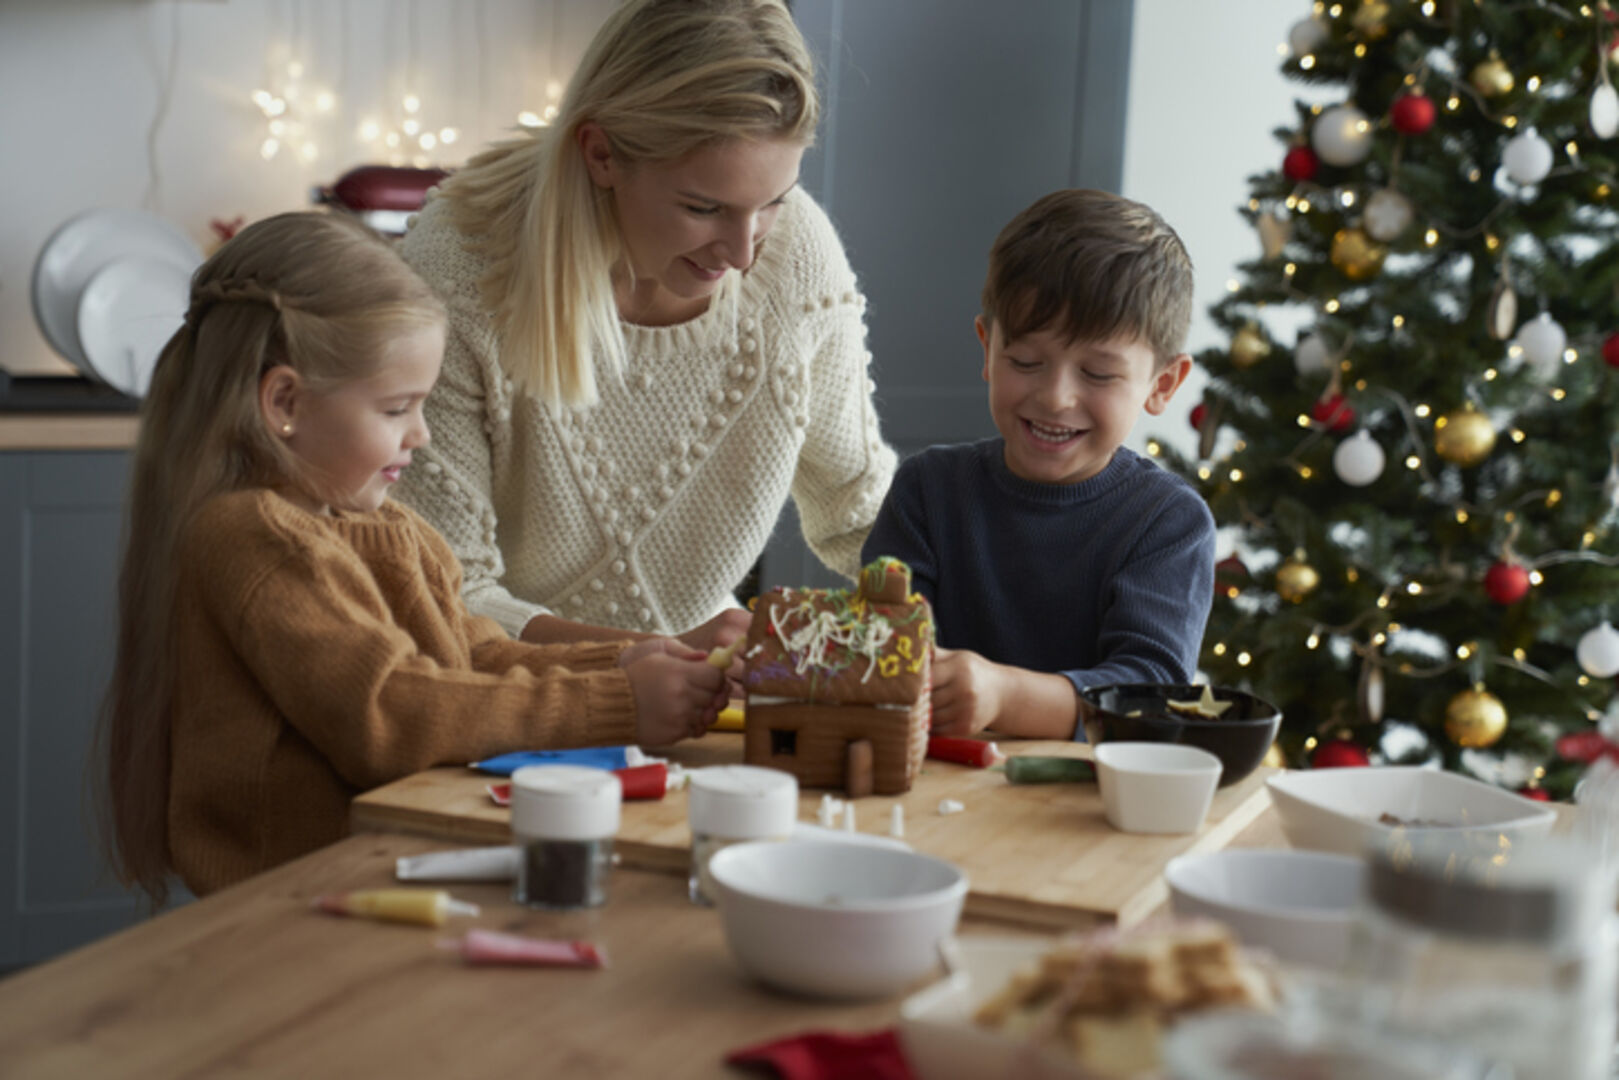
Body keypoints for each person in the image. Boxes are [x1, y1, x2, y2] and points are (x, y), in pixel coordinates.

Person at [100, 212, 727, 903]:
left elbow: (470, 656)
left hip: (380, 875)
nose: (421, 435)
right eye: (397, 408)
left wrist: (631, 662)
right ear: (284, 402)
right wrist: (616, 703)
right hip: (287, 909)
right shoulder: (253, 538)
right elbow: (390, 711)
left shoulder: (393, 530)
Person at [393, 0, 896, 670]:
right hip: (505, 698)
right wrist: (648, 656)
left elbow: (857, 509)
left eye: (773, 201)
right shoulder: (458, 274)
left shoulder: (796, 256)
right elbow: (446, 596)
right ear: (600, 153)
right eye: (702, 207)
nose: (744, 254)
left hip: (696, 690)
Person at [861, 189, 1215, 740]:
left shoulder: (1169, 522)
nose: (1055, 398)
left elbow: (1148, 694)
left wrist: (1004, 697)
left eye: (1098, 374)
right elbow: (883, 642)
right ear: (986, 348)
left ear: (1162, 384)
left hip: (1087, 809)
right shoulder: (927, 491)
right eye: (1025, 361)